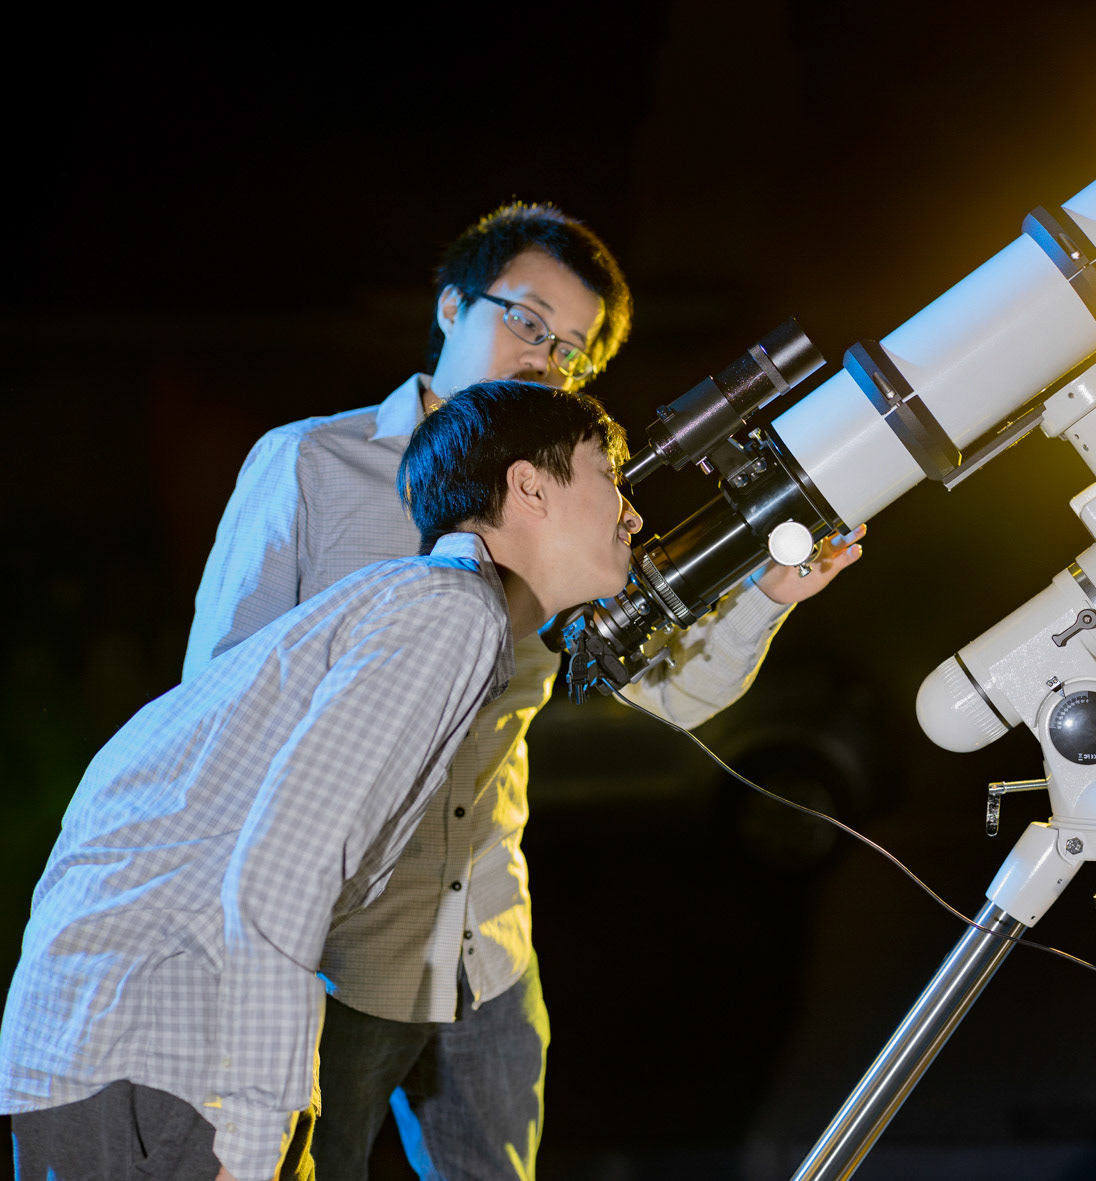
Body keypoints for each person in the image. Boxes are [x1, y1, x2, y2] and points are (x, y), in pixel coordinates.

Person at [182, 202, 864, 1179]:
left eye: (573, 354)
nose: (544, 357)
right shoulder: (310, 464)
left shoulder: (553, 493)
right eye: (527, 321)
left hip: (487, 945)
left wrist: (765, 592)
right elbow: (219, 697)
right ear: (453, 305)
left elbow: (668, 691)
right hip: (338, 953)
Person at [0, 381, 643, 1181]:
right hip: (156, 1049)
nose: (632, 510)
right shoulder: (449, 614)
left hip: (113, 1037)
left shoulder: (423, 604)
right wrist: (254, 1139)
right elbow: (280, 875)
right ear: (528, 485)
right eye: (607, 474)